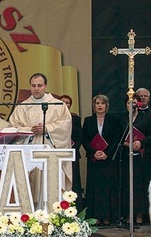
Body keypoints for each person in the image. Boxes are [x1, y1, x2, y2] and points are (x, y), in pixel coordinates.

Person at [9, 73, 72, 207]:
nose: (36, 89)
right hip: (29, 151)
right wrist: (29, 129)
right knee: (30, 185)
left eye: (39, 85)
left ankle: (52, 213)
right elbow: (13, 127)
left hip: (50, 150)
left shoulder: (58, 104)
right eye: (33, 86)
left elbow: (65, 125)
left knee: (50, 183)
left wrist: (47, 128)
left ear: (45, 86)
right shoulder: (22, 106)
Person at [82, 94, 120, 225]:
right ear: (94, 106)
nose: (99, 105)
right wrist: (93, 152)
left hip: (108, 161)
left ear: (106, 106)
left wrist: (107, 153)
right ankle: (95, 218)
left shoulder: (114, 120)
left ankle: (107, 217)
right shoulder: (88, 120)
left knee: (107, 188)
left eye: (102, 103)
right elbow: (84, 139)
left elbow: (116, 139)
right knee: (94, 188)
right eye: (97, 103)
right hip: (93, 160)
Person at [118, 94, 151, 225]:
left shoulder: (146, 118)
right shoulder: (122, 119)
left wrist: (141, 143)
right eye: (128, 103)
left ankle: (139, 214)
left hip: (142, 157)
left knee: (140, 186)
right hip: (126, 157)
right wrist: (126, 144)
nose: (131, 105)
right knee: (127, 185)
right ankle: (128, 213)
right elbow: (118, 136)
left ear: (138, 104)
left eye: (134, 103)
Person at [60, 94, 84, 211]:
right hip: (58, 154)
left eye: (67, 102)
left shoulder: (75, 118)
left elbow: (80, 137)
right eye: (62, 101)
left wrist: (72, 147)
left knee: (74, 182)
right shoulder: (54, 119)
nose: (65, 104)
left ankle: (76, 209)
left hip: (72, 154)